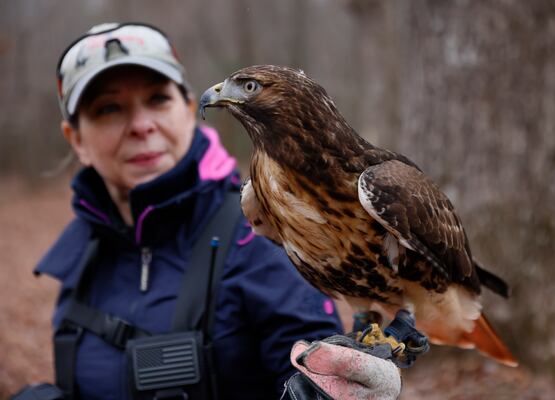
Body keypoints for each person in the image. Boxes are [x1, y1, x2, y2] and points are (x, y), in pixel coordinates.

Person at [12, 22, 403, 400]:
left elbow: (315, 371)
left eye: (157, 99)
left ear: (186, 108)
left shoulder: (263, 232)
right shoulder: (79, 256)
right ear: (75, 138)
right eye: (109, 109)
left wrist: (336, 387)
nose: (141, 125)